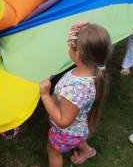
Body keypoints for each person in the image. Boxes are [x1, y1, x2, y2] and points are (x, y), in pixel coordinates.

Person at [39, 20, 111, 166]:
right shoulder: (93, 73)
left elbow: (63, 122)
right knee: (79, 137)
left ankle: (83, 149)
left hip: (66, 132)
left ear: (77, 54)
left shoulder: (73, 90)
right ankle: (87, 151)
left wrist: (45, 95)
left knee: (52, 151)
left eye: (70, 47)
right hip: (79, 126)